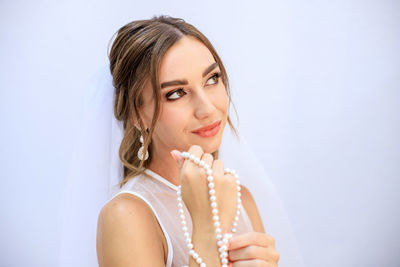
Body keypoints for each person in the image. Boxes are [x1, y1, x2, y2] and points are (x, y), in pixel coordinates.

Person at [95, 15, 280, 267]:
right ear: (138, 115)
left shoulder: (241, 198)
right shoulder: (127, 215)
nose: (207, 108)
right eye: (176, 93)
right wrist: (206, 230)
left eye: (212, 79)